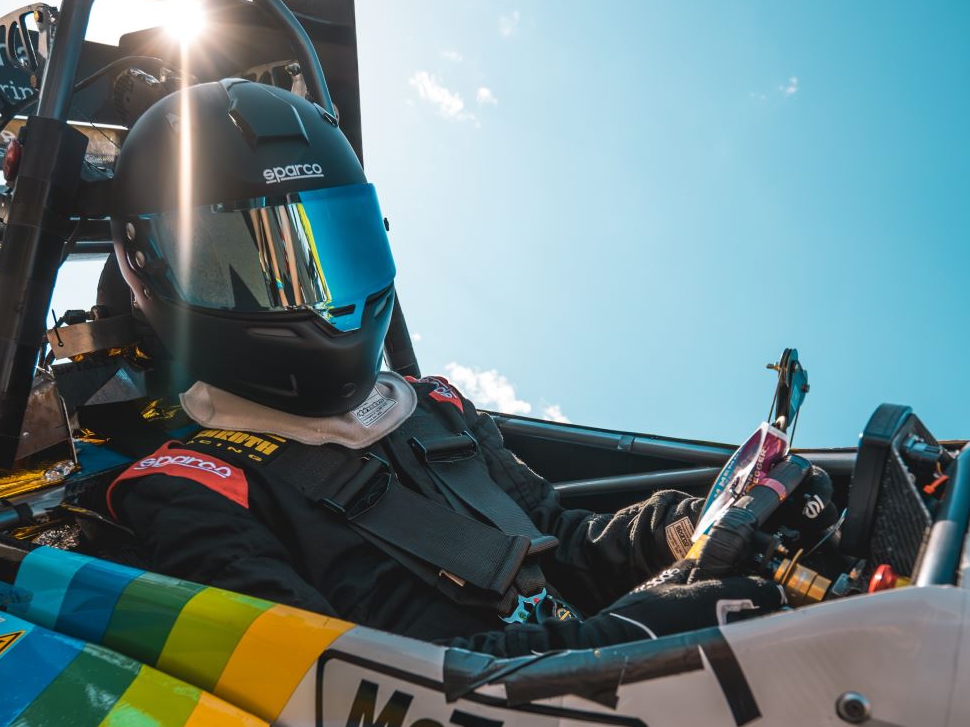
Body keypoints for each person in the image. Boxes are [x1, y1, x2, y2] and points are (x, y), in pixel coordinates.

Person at [94, 79, 832, 656]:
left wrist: (693, 531)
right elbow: (339, 685)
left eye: (334, 243)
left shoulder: (434, 407)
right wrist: (639, 631)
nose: (323, 299)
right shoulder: (184, 491)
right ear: (160, 275)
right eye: (259, 266)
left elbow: (560, 542)